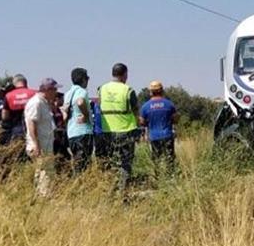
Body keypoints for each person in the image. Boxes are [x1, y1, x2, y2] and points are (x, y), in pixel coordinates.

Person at [99, 62, 139, 192]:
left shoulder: (102, 89)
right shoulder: (128, 90)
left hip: (107, 132)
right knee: (125, 164)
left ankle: (109, 191)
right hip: (125, 131)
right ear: (125, 74)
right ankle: (123, 193)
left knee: (110, 163)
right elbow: (135, 111)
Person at [24, 78, 61, 196]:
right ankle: (44, 199)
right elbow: (31, 123)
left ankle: (40, 198)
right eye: (54, 89)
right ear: (47, 90)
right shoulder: (36, 103)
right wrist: (36, 145)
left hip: (45, 145)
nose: (56, 92)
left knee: (42, 173)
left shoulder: (44, 102)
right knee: (46, 175)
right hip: (40, 146)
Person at [139, 80, 178, 172]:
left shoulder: (145, 106)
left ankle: (157, 178)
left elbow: (142, 122)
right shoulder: (169, 104)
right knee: (170, 160)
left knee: (156, 160)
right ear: (162, 90)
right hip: (167, 136)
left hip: (154, 137)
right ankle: (171, 177)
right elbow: (176, 119)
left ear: (150, 92)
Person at [63, 67, 93, 174]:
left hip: (71, 133)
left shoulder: (68, 94)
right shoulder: (81, 91)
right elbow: (80, 102)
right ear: (84, 79)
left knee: (77, 162)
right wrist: (85, 115)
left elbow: (65, 112)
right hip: (83, 131)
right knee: (84, 163)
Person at [2, 74, 36, 142]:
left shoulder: (8, 96)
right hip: (34, 131)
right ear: (26, 83)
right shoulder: (35, 93)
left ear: (14, 84)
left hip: (17, 133)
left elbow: (4, 116)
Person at [52, 91, 71, 173]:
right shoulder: (52, 110)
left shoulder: (59, 110)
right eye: (62, 99)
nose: (63, 101)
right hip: (56, 137)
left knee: (66, 157)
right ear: (57, 99)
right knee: (61, 157)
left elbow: (63, 121)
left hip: (62, 136)